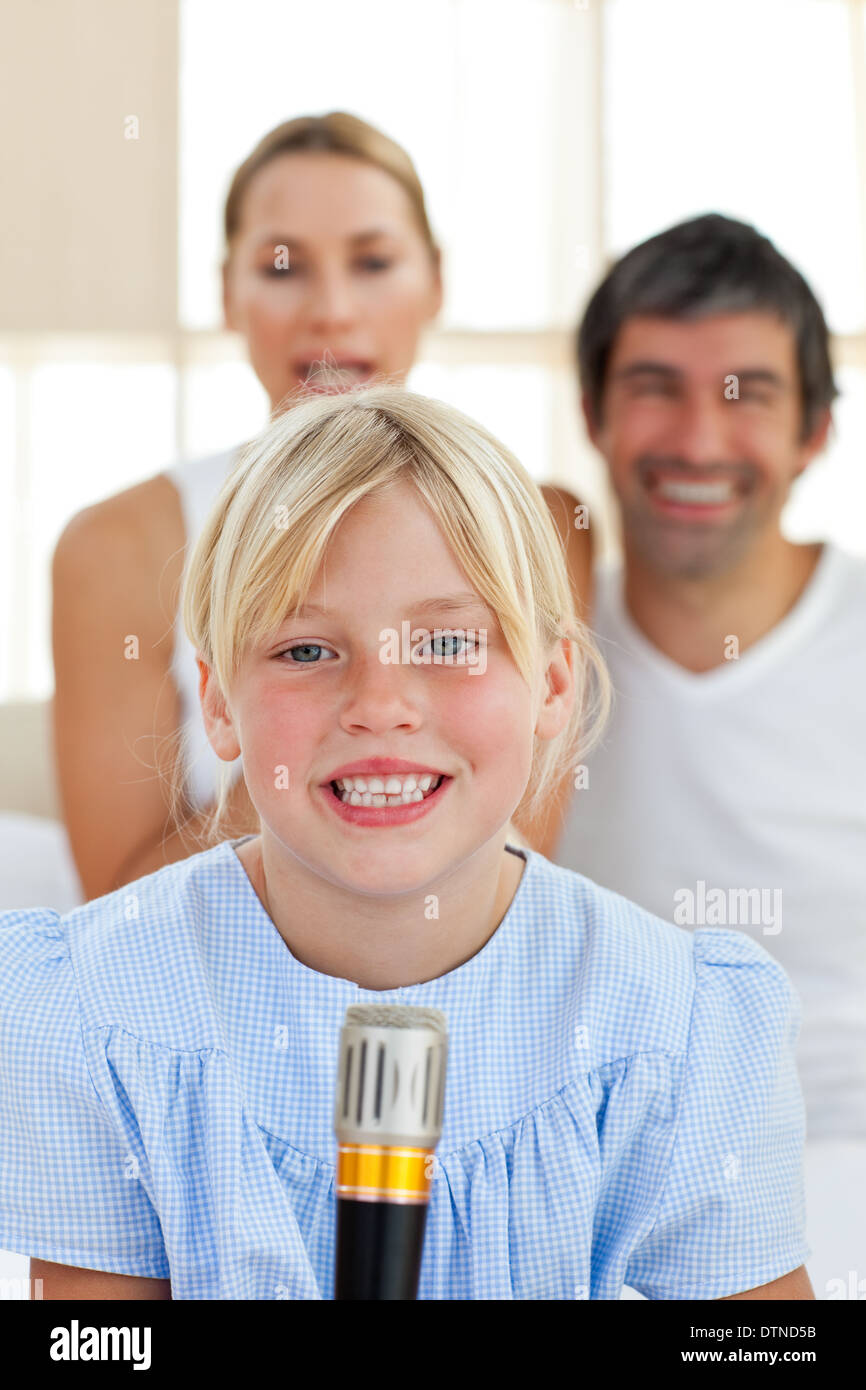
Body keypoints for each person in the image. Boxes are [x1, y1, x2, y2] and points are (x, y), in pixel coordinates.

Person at [0, 387, 812, 1300]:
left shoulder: (683, 1025)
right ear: (220, 703)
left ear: (551, 687)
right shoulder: (96, 1011)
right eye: (306, 651)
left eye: (448, 642)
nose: (381, 703)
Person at [39, 110, 591, 909]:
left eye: (373, 261)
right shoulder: (121, 544)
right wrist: (298, 736)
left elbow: (517, 856)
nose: (331, 311)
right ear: (227, 292)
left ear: (435, 282)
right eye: (283, 266)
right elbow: (119, 909)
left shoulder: (536, 524)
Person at [546, 213, 866, 1297]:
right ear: (589, 412)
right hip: (595, 1179)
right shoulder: (525, 663)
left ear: (814, 428)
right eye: (651, 385)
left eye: (745, 394)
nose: (694, 437)